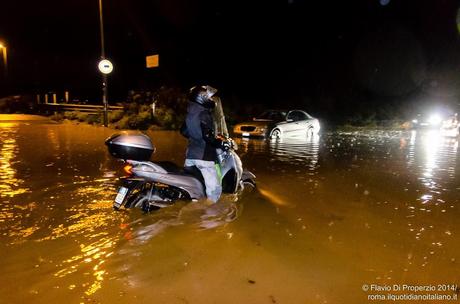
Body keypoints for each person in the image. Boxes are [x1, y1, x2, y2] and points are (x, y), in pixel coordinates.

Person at [180, 85, 230, 203]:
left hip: (190, 156)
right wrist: (221, 143)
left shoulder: (191, 112)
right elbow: (207, 137)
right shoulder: (204, 113)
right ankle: (211, 216)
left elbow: (183, 131)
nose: (211, 100)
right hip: (204, 157)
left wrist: (196, 137)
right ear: (202, 97)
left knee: (197, 184)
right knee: (214, 190)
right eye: (209, 97)